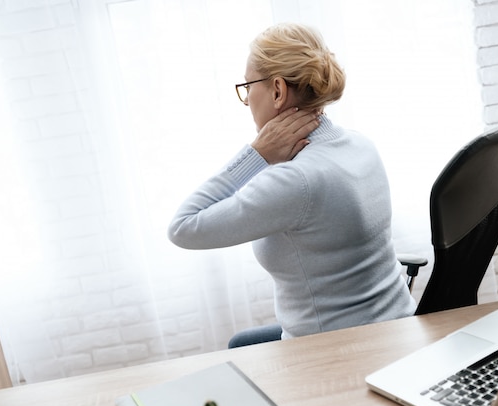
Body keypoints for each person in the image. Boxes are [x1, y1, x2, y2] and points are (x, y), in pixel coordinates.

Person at [167, 23, 416, 348]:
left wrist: (255, 154)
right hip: (396, 330)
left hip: (337, 353)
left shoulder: (295, 181)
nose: (247, 99)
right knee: (242, 343)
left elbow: (182, 227)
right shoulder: (359, 145)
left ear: (277, 90)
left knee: (238, 348)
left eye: (247, 86)